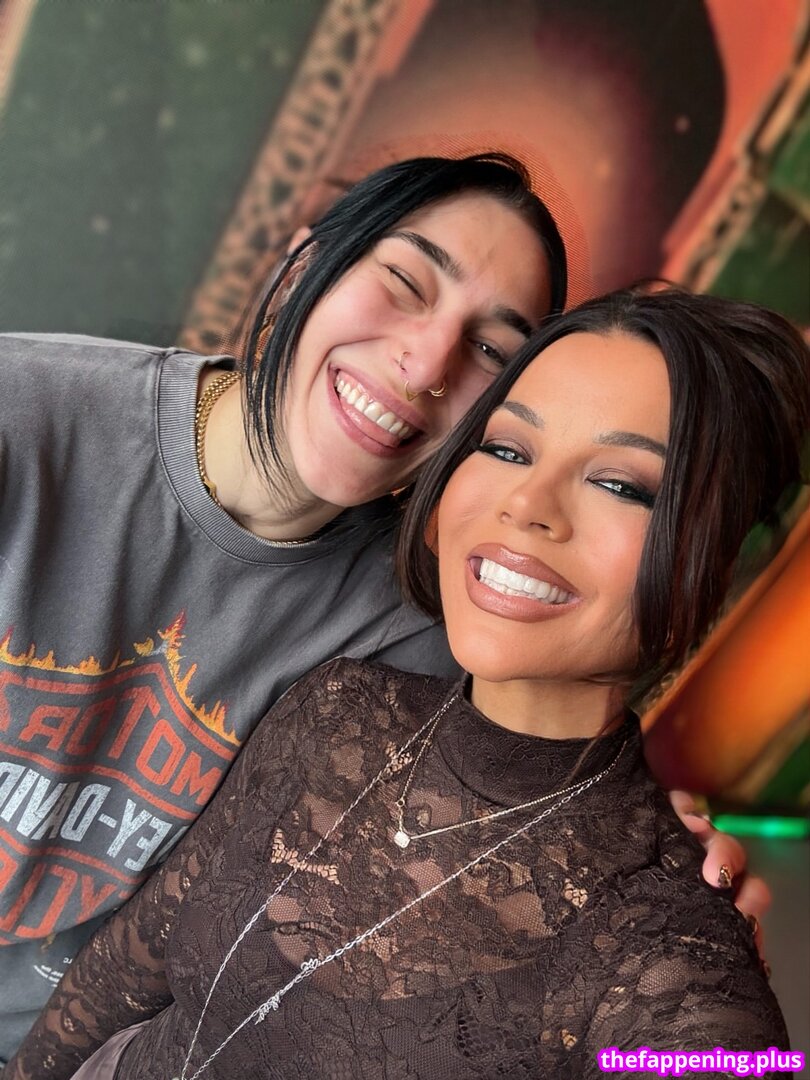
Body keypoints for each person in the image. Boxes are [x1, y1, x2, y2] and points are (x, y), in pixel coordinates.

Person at [0, 154, 754, 1063]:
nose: (427, 363)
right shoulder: (24, 418)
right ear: (301, 269)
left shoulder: (436, 618)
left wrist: (668, 863)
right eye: (404, 282)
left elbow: (539, 776)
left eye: (491, 351)